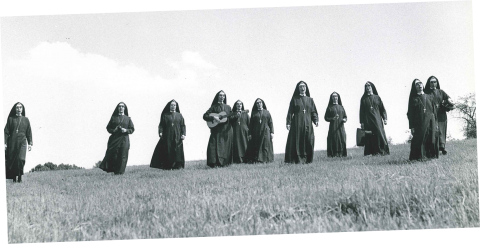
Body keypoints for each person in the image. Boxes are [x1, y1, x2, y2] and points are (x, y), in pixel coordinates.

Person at [285, 81, 319, 163]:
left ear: (306, 88)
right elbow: (290, 112)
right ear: (298, 88)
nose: (302, 88)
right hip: (297, 124)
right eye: (300, 87)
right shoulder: (294, 99)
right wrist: (288, 122)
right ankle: (296, 160)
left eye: (304, 86)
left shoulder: (310, 100)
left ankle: (308, 160)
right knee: (297, 141)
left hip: (308, 124)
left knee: (308, 140)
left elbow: (313, 111)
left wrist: (316, 120)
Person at [407, 79, 439, 161]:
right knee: (419, 140)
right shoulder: (413, 99)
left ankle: (431, 157)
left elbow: (434, 111)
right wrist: (412, 126)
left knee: (431, 140)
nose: (419, 85)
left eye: (420, 83)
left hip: (431, 121)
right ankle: (418, 158)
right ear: (414, 87)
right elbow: (410, 114)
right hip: (419, 122)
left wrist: (436, 123)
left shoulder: (429, 96)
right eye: (417, 84)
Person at [99, 102, 135, 175]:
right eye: (119, 106)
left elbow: (132, 129)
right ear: (117, 108)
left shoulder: (128, 119)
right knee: (114, 155)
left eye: (122, 106)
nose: (121, 108)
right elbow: (108, 128)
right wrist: (114, 130)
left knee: (123, 156)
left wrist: (126, 130)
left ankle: (120, 173)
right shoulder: (113, 118)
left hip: (124, 139)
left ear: (124, 108)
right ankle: (116, 172)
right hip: (114, 139)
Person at [150, 100, 186, 170]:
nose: (173, 106)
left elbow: (183, 125)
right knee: (168, 151)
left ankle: (177, 166)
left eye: (174, 105)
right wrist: (160, 132)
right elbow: (161, 125)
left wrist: (183, 134)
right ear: (169, 106)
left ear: (176, 106)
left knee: (177, 151)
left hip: (177, 136)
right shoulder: (165, 115)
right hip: (168, 136)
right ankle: (168, 166)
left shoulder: (180, 115)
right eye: (171, 105)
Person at [203, 90, 234, 167]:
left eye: (223, 95)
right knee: (213, 146)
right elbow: (205, 116)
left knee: (225, 147)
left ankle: (225, 163)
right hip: (216, 130)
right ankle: (214, 163)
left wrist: (237, 115)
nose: (222, 97)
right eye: (220, 95)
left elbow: (231, 118)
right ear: (217, 96)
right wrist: (213, 117)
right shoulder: (213, 107)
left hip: (226, 130)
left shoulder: (228, 107)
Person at [424, 76, 454, 155]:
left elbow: (449, 99)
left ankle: (442, 147)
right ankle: (433, 148)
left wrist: (448, 104)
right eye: (431, 82)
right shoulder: (426, 92)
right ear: (428, 83)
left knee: (441, 130)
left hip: (441, 115)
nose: (433, 84)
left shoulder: (441, 92)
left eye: (435, 82)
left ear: (437, 83)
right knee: (433, 131)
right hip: (431, 115)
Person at [4, 102, 32, 183]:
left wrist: (30, 143)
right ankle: (14, 179)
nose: (19, 109)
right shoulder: (10, 119)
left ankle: (19, 177)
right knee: (13, 160)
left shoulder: (26, 120)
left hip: (22, 142)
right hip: (12, 142)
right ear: (15, 109)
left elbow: (29, 132)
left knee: (21, 159)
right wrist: (4, 143)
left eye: (20, 107)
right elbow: (6, 131)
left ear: (22, 109)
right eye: (17, 107)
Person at [359, 81, 390, 156]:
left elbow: (382, 109)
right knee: (370, 136)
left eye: (369, 86)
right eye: (366, 86)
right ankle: (372, 152)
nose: (368, 88)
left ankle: (382, 151)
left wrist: (385, 118)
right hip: (368, 121)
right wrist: (362, 122)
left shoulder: (377, 97)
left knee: (379, 134)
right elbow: (361, 112)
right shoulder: (363, 99)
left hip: (377, 120)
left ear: (372, 87)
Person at [246, 98, 274, 163]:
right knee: (257, 145)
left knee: (265, 145)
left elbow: (270, 122)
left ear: (262, 103)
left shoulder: (267, 112)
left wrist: (272, 132)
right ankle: (258, 160)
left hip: (265, 131)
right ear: (256, 104)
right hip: (256, 132)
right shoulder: (254, 113)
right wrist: (250, 133)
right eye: (257, 103)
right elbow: (251, 124)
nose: (259, 104)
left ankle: (266, 160)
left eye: (260, 102)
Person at [324, 92, 348, 157]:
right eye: (333, 97)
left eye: (336, 96)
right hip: (333, 126)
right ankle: (333, 155)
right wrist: (332, 118)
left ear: (338, 98)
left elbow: (345, 116)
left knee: (341, 139)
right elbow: (326, 118)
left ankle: (342, 154)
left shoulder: (341, 107)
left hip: (340, 127)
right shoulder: (329, 107)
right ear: (331, 98)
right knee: (333, 139)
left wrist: (344, 120)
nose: (335, 98)